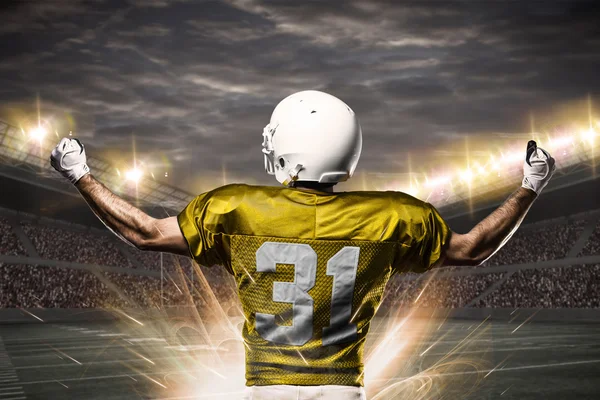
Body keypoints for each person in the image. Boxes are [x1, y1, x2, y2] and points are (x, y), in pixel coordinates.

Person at [50, 90, 555, 400]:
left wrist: (80, 175)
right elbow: (472, 248)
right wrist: (531, 184)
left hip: (266, 389)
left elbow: (143, 232)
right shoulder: (394, 215)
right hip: (344, 390)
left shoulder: (238, 208)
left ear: (288, 150)